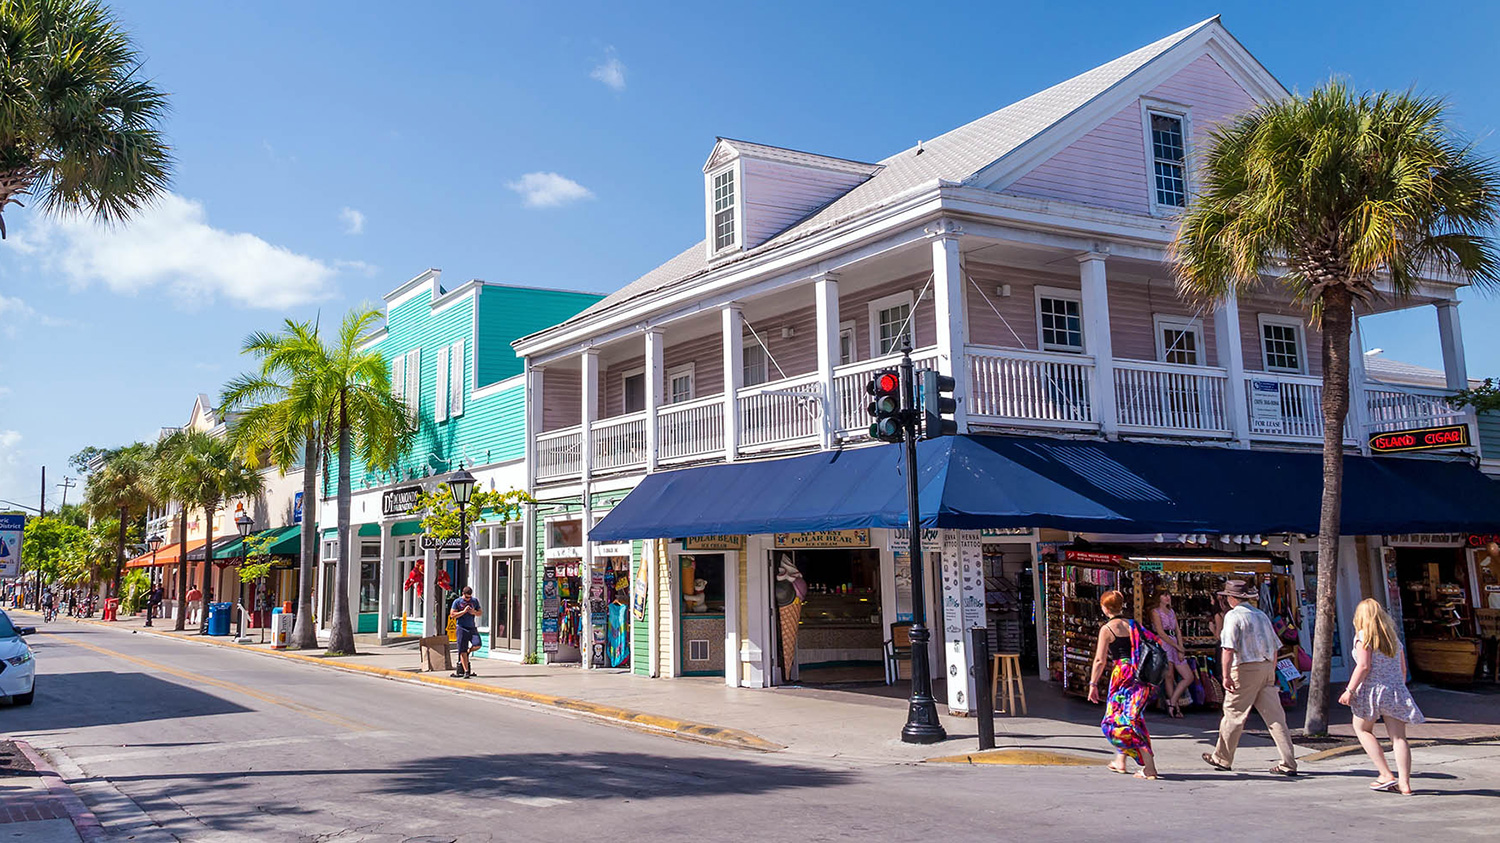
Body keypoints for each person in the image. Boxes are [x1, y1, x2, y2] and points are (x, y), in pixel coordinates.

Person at [1202, 579, 1298, 776]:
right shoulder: (1261, 615)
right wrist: (1270, 670)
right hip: (1265, 666)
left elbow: (1228, 648)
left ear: (1230, 598)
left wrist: (1226, 675)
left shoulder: (1233, 616)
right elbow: (1274, 648)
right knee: (1275, 717)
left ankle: (1222, 758)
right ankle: (1289, 762)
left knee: (1233, 714)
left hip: (1245, 667)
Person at [1340, 598, 1424, 795]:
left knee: (1362, 729)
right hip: (1394, 689)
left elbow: (1364, 666)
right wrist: (1398, 686)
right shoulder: (1393, 639)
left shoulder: (1363, 637)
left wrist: (1349, 690)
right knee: (1398, 737)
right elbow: (1403, 669)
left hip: (1371, 688)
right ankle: (1405, 784)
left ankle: (1385, 773)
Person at [1088, 589, 1161, 779]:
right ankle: (1121, 760)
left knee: (1121, 720)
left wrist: (1093, 684)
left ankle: (1149, 767)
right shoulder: (1133, 625)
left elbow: (1099, 660)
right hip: (1139, 674)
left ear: (1105, 608)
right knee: (1129, 715)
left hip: (1121, 674)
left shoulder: (1107, 629)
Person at [1149, 592, 1194, 718]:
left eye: (1168, 595)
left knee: (1188, 676)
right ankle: (1175, 708)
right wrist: (1177, 646)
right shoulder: (1155, 612)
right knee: (1169, 675)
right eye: (1164, 595)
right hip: (1164, 643)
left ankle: (1172, 701)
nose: (1167, 598)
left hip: (1173, 642)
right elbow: (1161, 632)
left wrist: (1180, 646)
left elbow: (1177, 631)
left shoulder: (1172, 612)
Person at [449, 586, 483, 678]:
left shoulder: (474, 601)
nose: (468, 599)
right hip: (461, 627)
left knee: (477, 644)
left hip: (472, 627)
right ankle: (466, 671)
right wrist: (464, 611)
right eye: (466, 597)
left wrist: (474, 612)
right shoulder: (457, 602)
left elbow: (480, 612)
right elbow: (452, 615)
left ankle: (469, 651)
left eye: (469, 597)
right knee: (462, 650)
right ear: (463, 594)